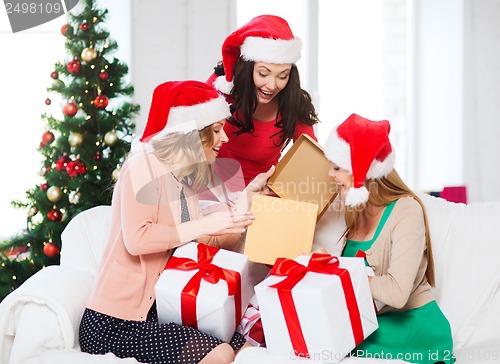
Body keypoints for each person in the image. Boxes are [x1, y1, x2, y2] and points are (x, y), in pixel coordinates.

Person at [78, 80, 274, 364]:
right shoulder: (142, 165)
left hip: (163, 312)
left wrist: (248, 195)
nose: (225, 139)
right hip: (113, 324)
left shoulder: (183, 182)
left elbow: (213, 241)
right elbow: (137, 239)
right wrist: (203, 225)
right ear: (191, 134)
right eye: (217, 130)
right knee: (220, 353)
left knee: (246, 348)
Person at [323, 113, 454, 363]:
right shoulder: (354, 210)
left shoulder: (406, 210)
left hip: (414, 328)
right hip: (375, 324)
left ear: (360, 170)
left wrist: (338, 272)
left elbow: (396, 293)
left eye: (337, 167)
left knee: (333, 347)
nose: (330, 173)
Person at [206, 14, 320, 186]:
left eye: (283, 76)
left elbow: (311, 157)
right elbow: (188, 142)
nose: (271, 85)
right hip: (211, 193)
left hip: (261, 198)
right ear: (248, 68)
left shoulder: (293, 104)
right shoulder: (220, 87)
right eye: (263, 74)